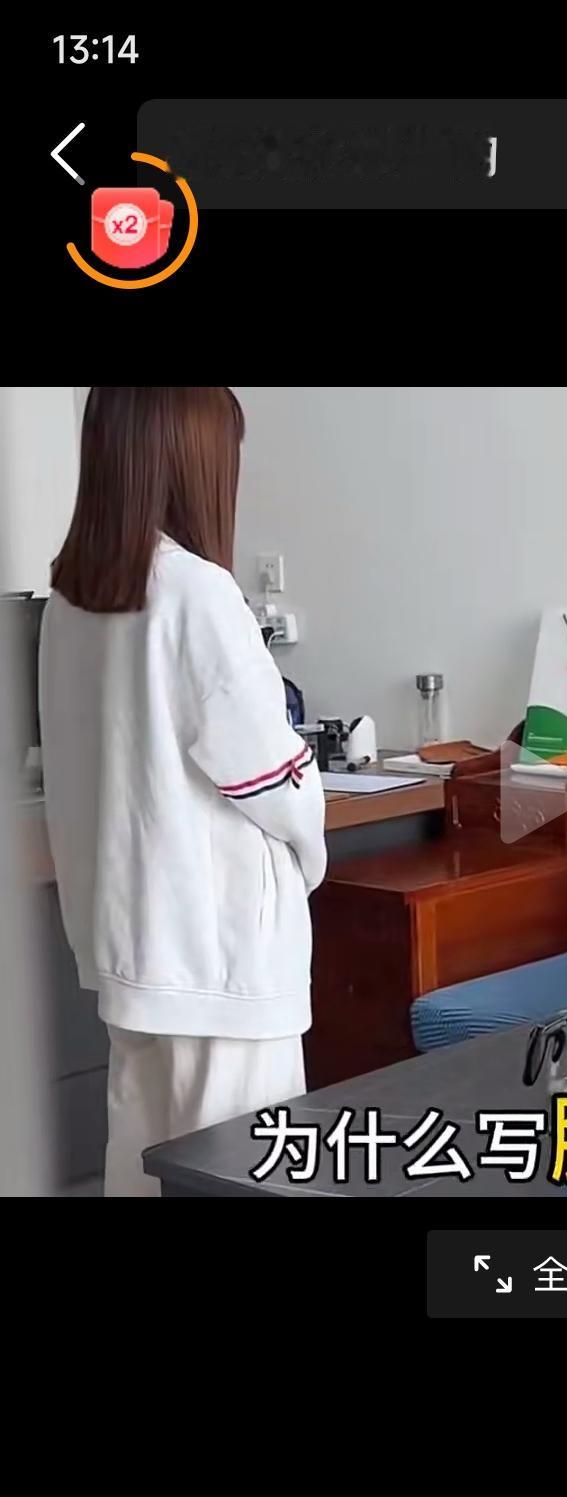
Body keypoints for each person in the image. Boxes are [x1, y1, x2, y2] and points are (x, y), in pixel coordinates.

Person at [40, 386, 326, 1197]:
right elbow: (268, 777)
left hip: (129, 948)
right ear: (194, 462)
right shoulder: (196, 591)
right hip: (218, 952)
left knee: (141, 1169)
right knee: (248, 1171)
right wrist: (308, 849)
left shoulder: (71, 598)